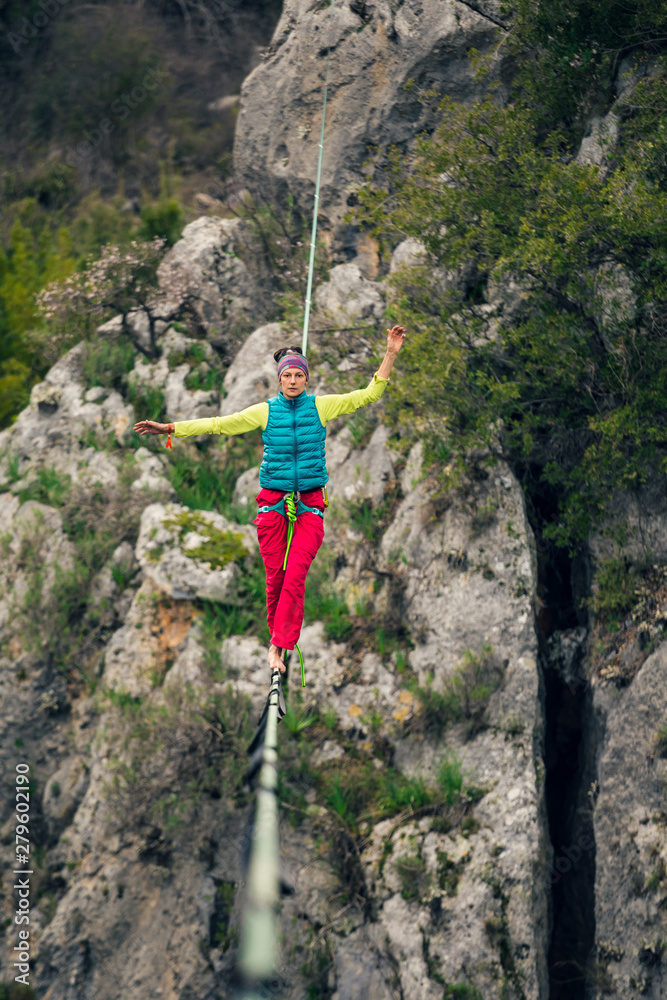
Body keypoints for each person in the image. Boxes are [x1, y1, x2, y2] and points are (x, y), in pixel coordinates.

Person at [134, 324, 406, 677]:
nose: (292, 380)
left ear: (306, 380)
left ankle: (281, 645)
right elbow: (219, 423)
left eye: (298, 375)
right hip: (272, 505)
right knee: (276, 576)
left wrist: (390, 354)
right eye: (287, 375)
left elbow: (368, 395)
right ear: (279, 380)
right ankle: (275, 643)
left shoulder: (322, 408)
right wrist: (171, 428)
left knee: (295, 575)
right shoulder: (264, 412)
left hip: (310, 505)